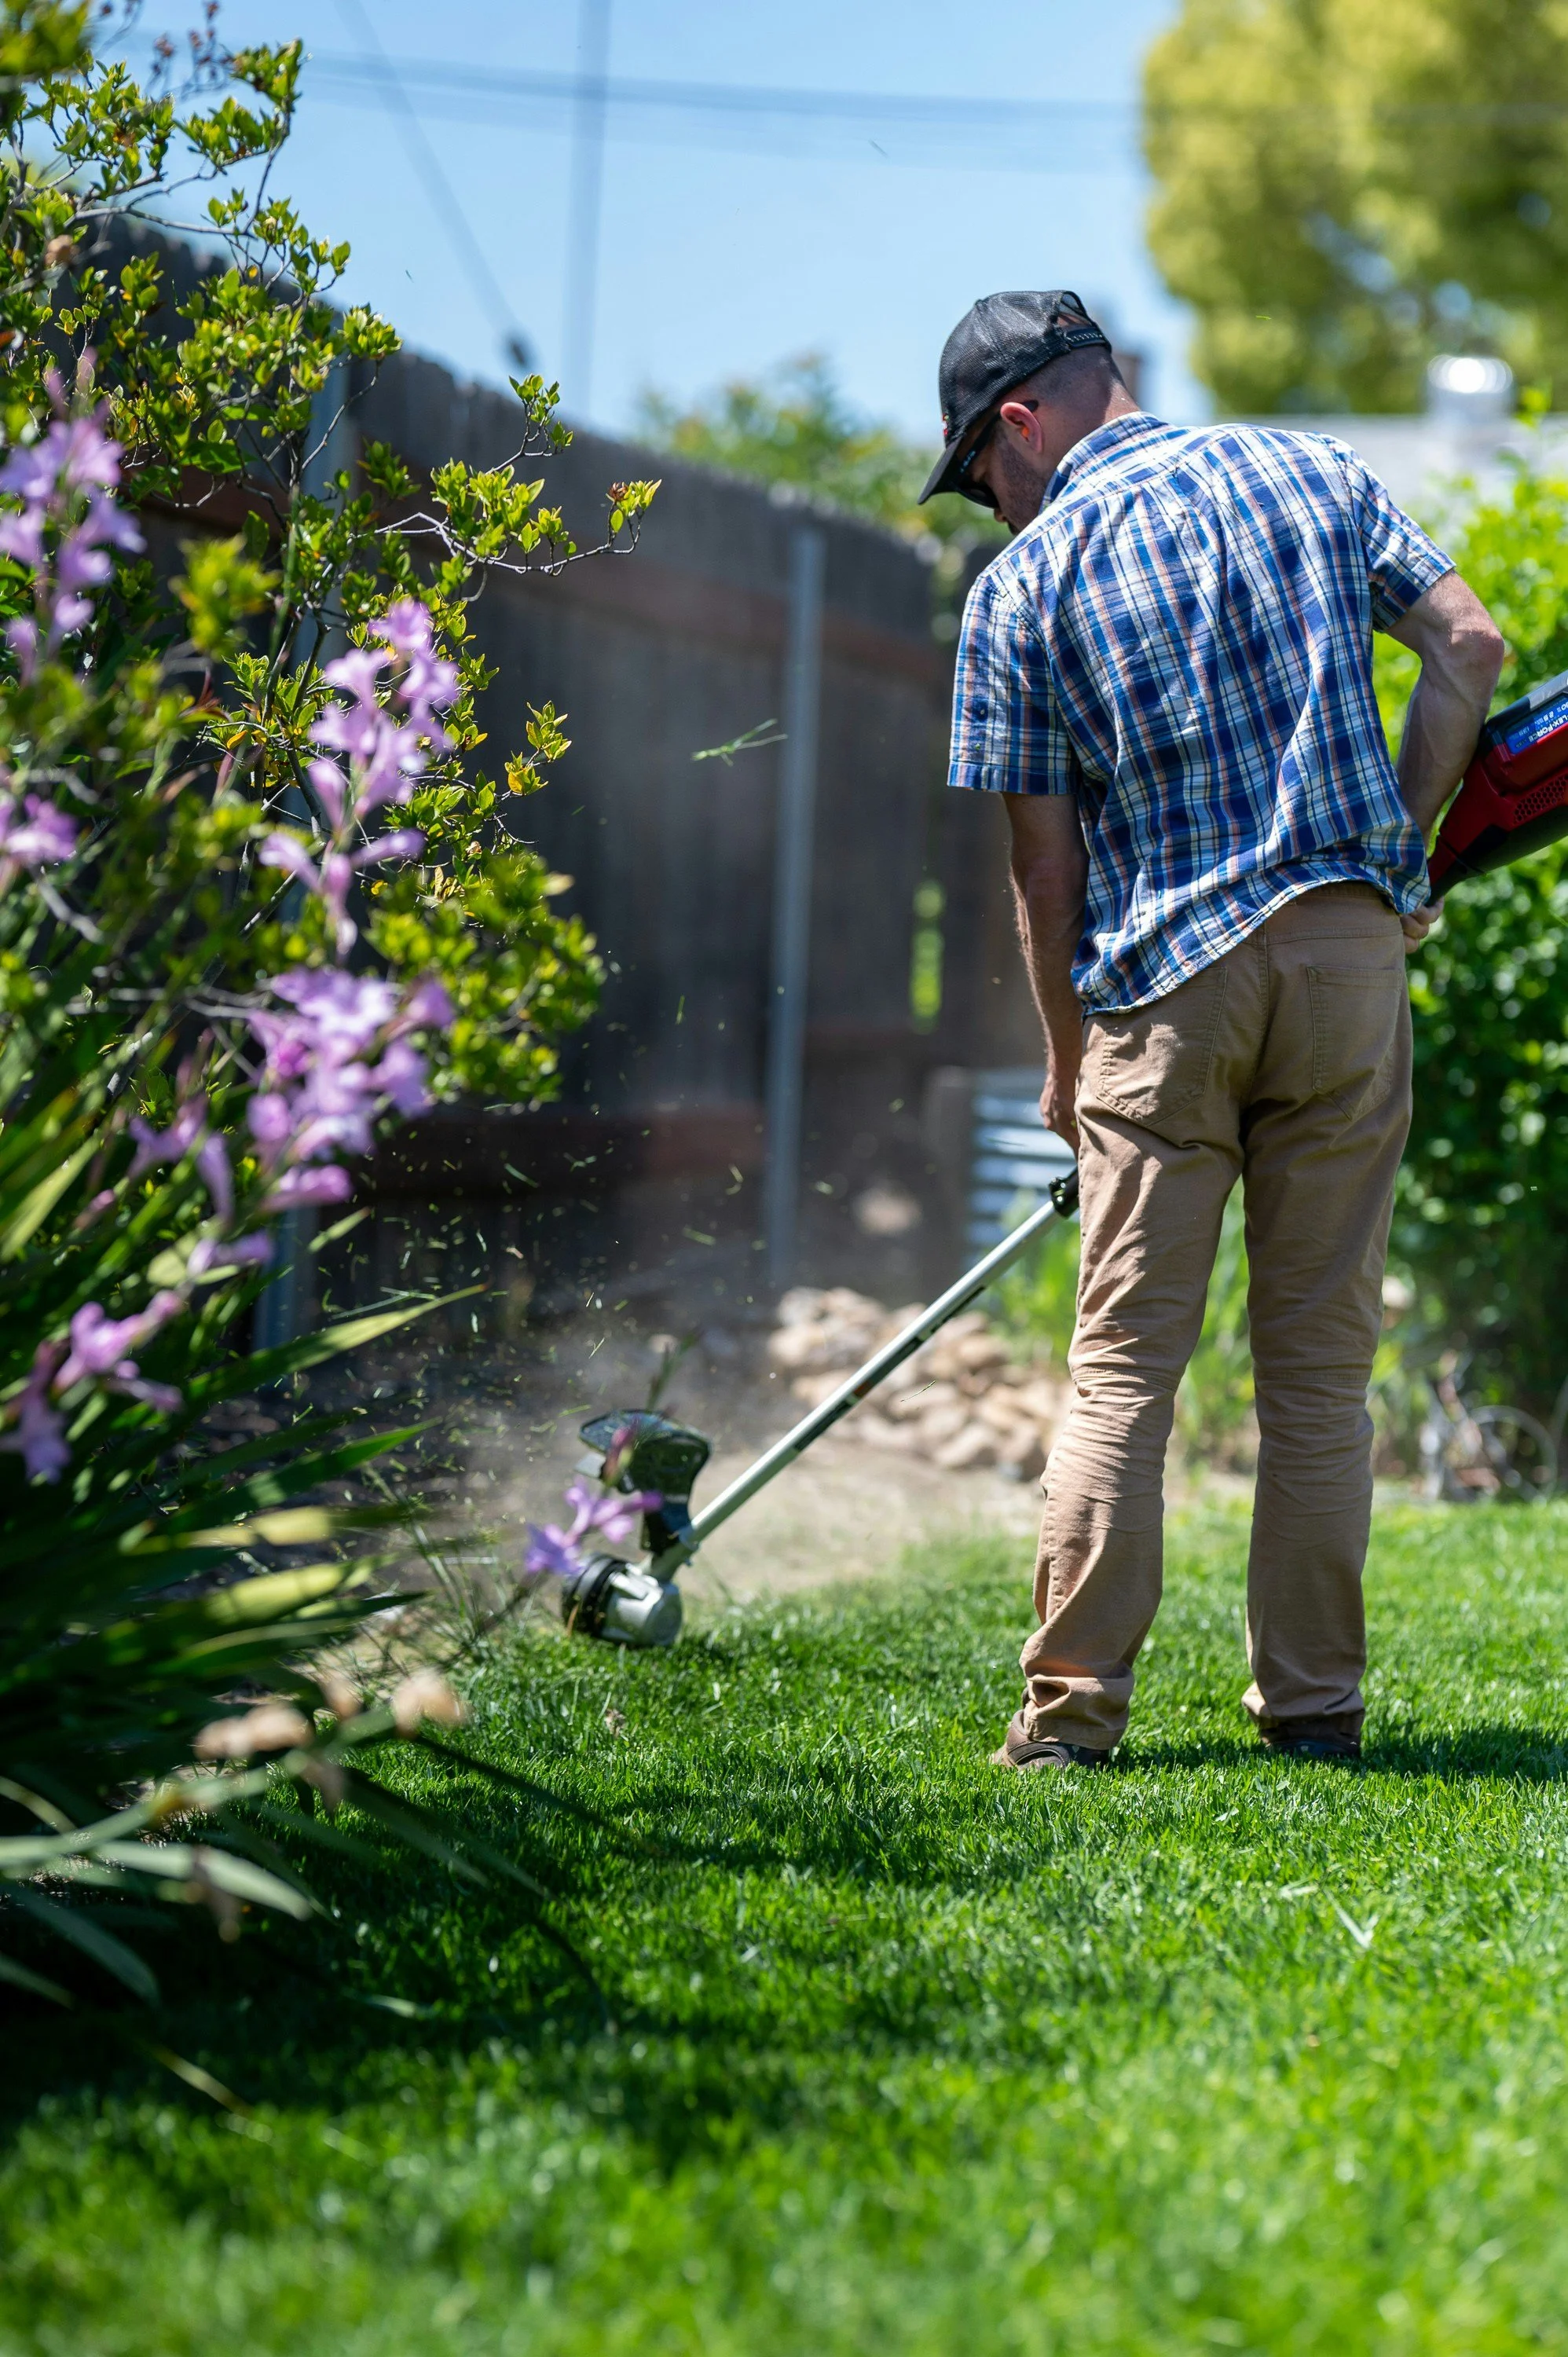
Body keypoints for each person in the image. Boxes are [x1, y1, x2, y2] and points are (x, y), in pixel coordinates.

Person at [921, 290, 1505, 1769]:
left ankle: (1070, 1724)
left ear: (1019, 425)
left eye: (983, 480)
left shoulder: (1021, 589)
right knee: (1320, 1368)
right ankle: (1313, 1714)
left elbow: (1043, 876)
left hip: (1166, 997)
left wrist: (1067, 1069)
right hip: (1347, 966)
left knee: (1124, 1369)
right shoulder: (1314, 469)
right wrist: (1402, 859)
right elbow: (1472, 648)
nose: (994, 509)